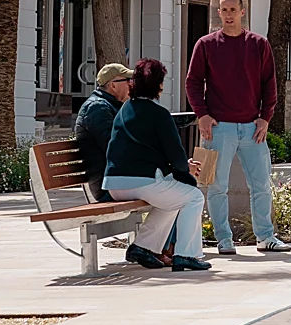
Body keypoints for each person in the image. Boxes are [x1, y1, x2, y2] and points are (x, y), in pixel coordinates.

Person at [186, 0, 291, 255]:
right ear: (219, 13)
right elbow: (193, 82)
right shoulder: (206, 44)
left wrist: (265, 118)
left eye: (233, 9)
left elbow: (270, 84)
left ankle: (266, 237)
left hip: (252, 129)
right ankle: (224, 240)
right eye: (224, 10)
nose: (229, 14)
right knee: (215, 186)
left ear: (243, 12)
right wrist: (202, 114)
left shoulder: (258, 44)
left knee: (261, 185)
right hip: (217, 128)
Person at [104, 58, 209, 272]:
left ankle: (143, 247)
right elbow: (176, 155)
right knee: (193, 197)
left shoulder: (125, 109)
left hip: (114, 185)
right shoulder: (159, 114)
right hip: (141, 182)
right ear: (158, 86)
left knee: (172, 199)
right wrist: (186, 167)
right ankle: (187, 254)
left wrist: (178, 166)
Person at [74, 63, 134, 202]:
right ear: (113, 85)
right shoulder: (97, 108)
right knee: (178, 192)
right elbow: (114, 148)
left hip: (117, 180)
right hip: (108, 186)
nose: (132, 85)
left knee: (176, 191)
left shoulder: (112, 107)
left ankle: (152, 226)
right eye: (128, 81)